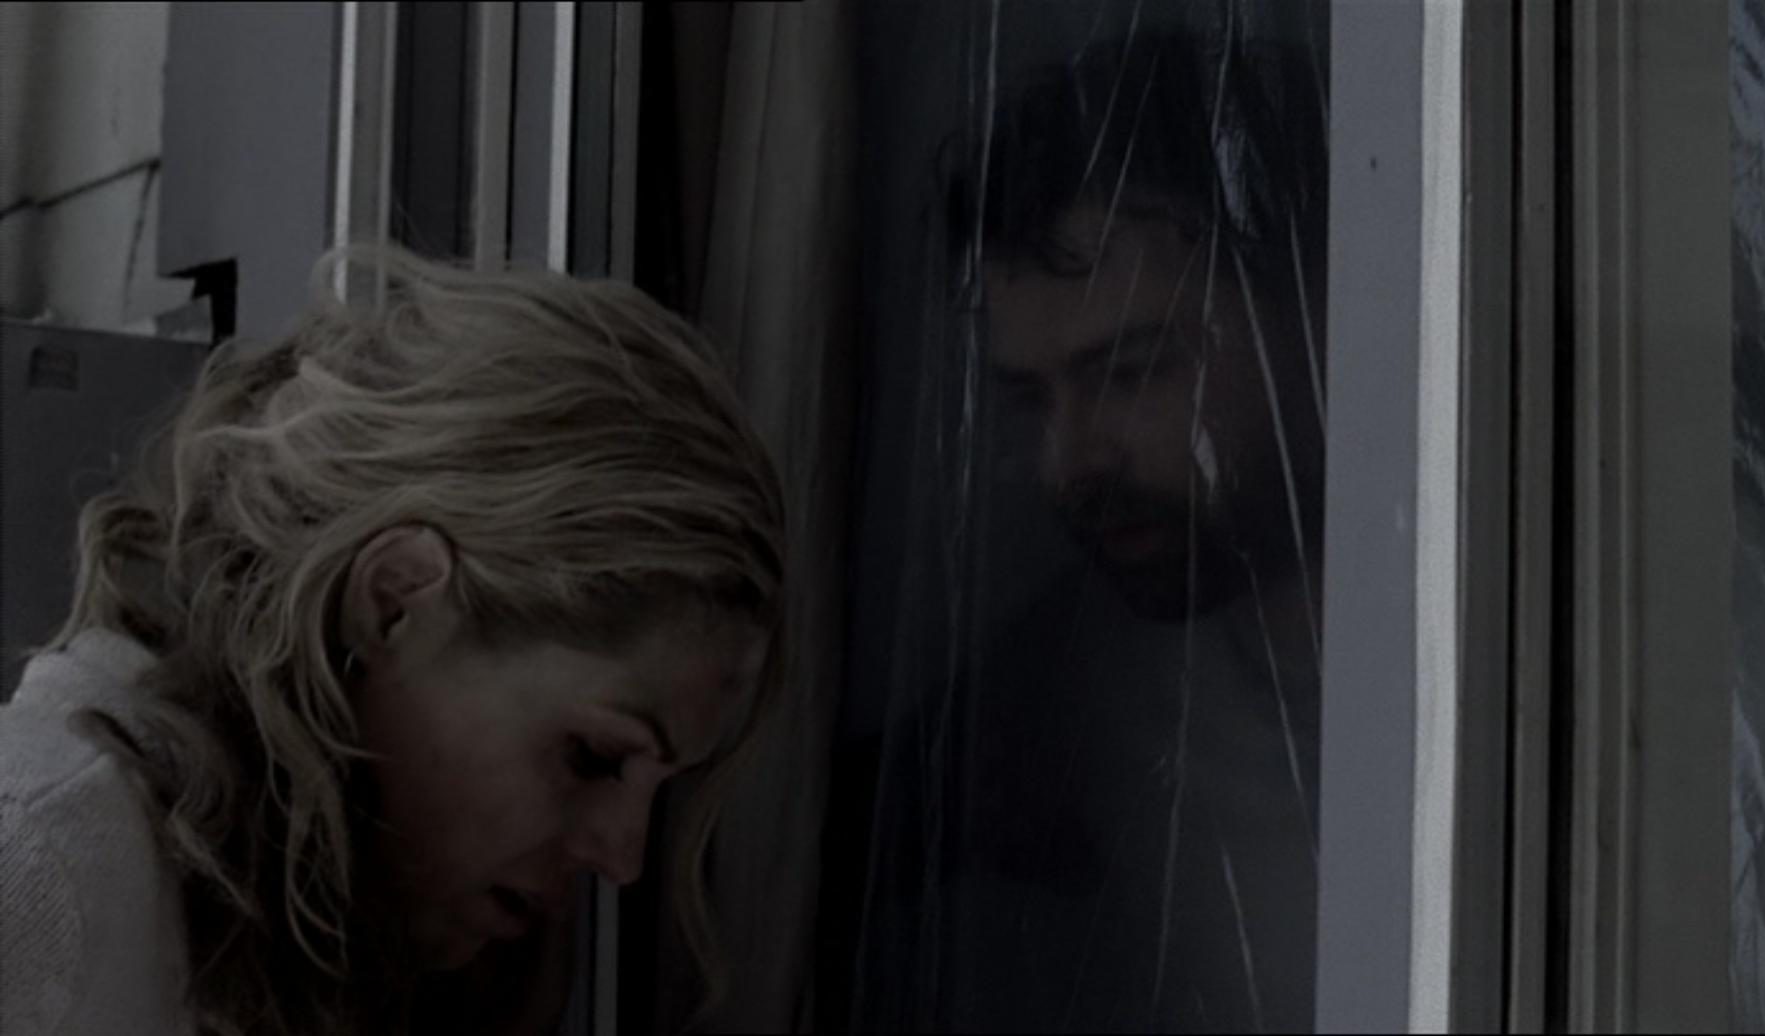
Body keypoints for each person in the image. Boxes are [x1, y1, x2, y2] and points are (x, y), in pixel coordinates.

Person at [0, 245, 786, 1036]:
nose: (623, 858)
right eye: (593, 757)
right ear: (392, 601)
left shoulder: (327, 939)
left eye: (661, 789)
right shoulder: (40, 866)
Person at [857, 20, 1324, 1032]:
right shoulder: (1093, 678)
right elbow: (807, 837)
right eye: (1033, 398)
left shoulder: (1573, 631)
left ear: (1318, 312)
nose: (1068, 465)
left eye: (1133, 371)